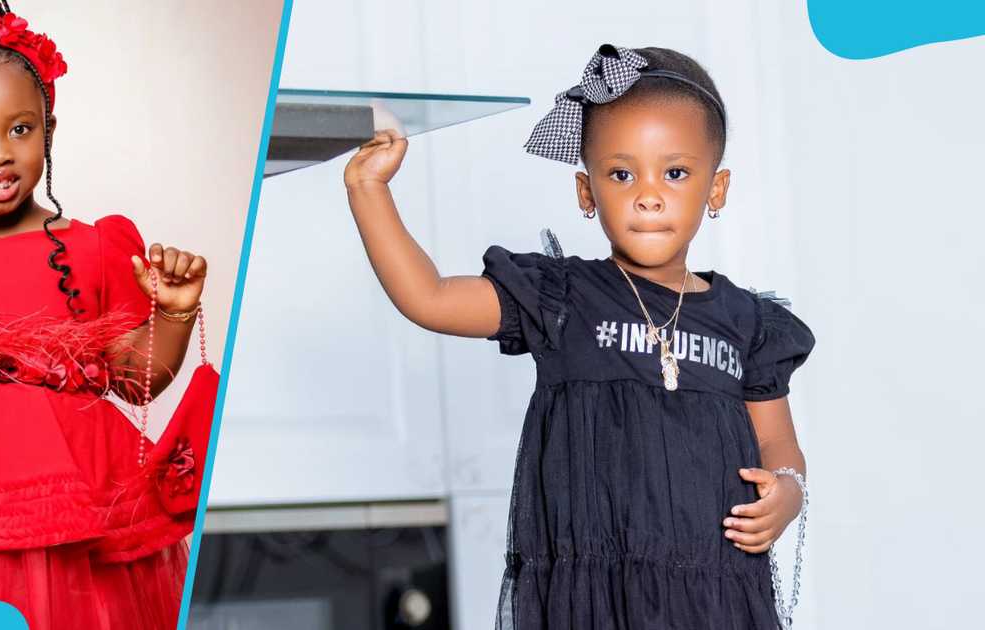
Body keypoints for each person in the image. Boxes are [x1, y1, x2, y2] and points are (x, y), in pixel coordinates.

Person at [343, 44, 815, 629]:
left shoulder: (747, 324)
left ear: (715, 189)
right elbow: (430, 298)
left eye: (675, 172)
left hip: (714, 593)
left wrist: (787, 492)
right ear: (586, 192)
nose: (649, 193)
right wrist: (369, 190)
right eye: (622, 174)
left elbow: (778, 443)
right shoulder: (563, 298)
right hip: (594, 594)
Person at [0, 2, 211, 628]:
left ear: (48, 130)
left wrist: (176, 316)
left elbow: (135, 378)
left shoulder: (97, 248)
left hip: (66, 509)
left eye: (19, 129)